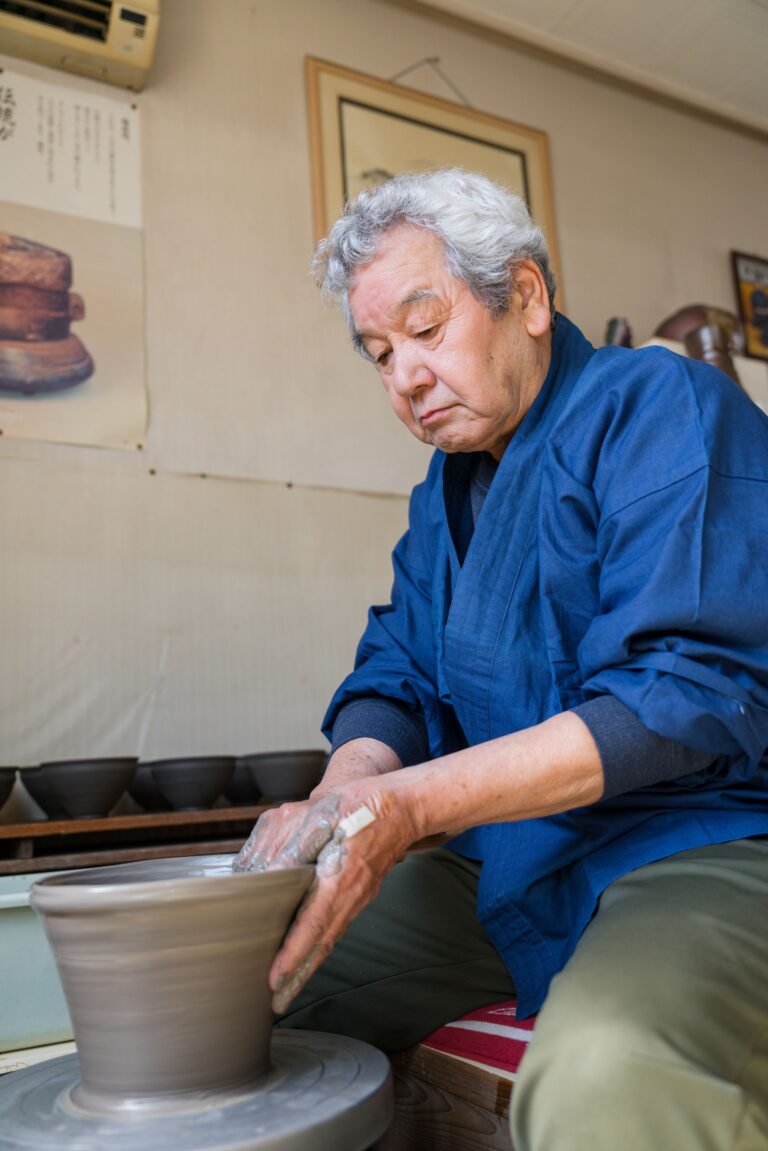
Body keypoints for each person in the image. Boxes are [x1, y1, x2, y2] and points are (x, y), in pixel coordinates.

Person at [236, 169, 768, 1149]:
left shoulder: (660, 406)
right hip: (527, 851)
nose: (403, 377)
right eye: (380, 353)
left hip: (704, 840)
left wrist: (406, 807)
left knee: (610, 1074)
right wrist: (345, 790)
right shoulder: (443, 494)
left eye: (425, 329)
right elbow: (393, 672)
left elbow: (679, 695)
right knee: (238, 981)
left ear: (524, 296)